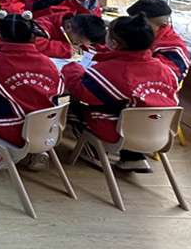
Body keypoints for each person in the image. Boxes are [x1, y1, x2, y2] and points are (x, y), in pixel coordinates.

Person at [63, 13, 179, 173]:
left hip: (123, 133)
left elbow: (82, 92)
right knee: (130, 106)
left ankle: (94, 153)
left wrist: (72, 68)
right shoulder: (165, 70)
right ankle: (134, 158)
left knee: (73, 108)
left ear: (114, 43)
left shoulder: (116, 71)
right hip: (159, 132)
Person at [0, 12, 64, 171]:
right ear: (34, 38)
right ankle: (38, 150)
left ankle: (3, 150)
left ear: (0, 36)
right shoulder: (49, 63)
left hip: (12, 130)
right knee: (34, 103)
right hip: (47, 130)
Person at [126, 0, 189, 84]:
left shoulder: (174, 50)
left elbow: (165, 79)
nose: (131, 26)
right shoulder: (138, 33)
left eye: (139, 23)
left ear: (162, 26)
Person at [34, 13, 107, 59]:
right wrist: (65, 49)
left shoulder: (74, 31)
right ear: (68, 27)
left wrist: (82, 47)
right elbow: (35, 43)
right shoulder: (43, 25)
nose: (77, 45)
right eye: (78, 41)